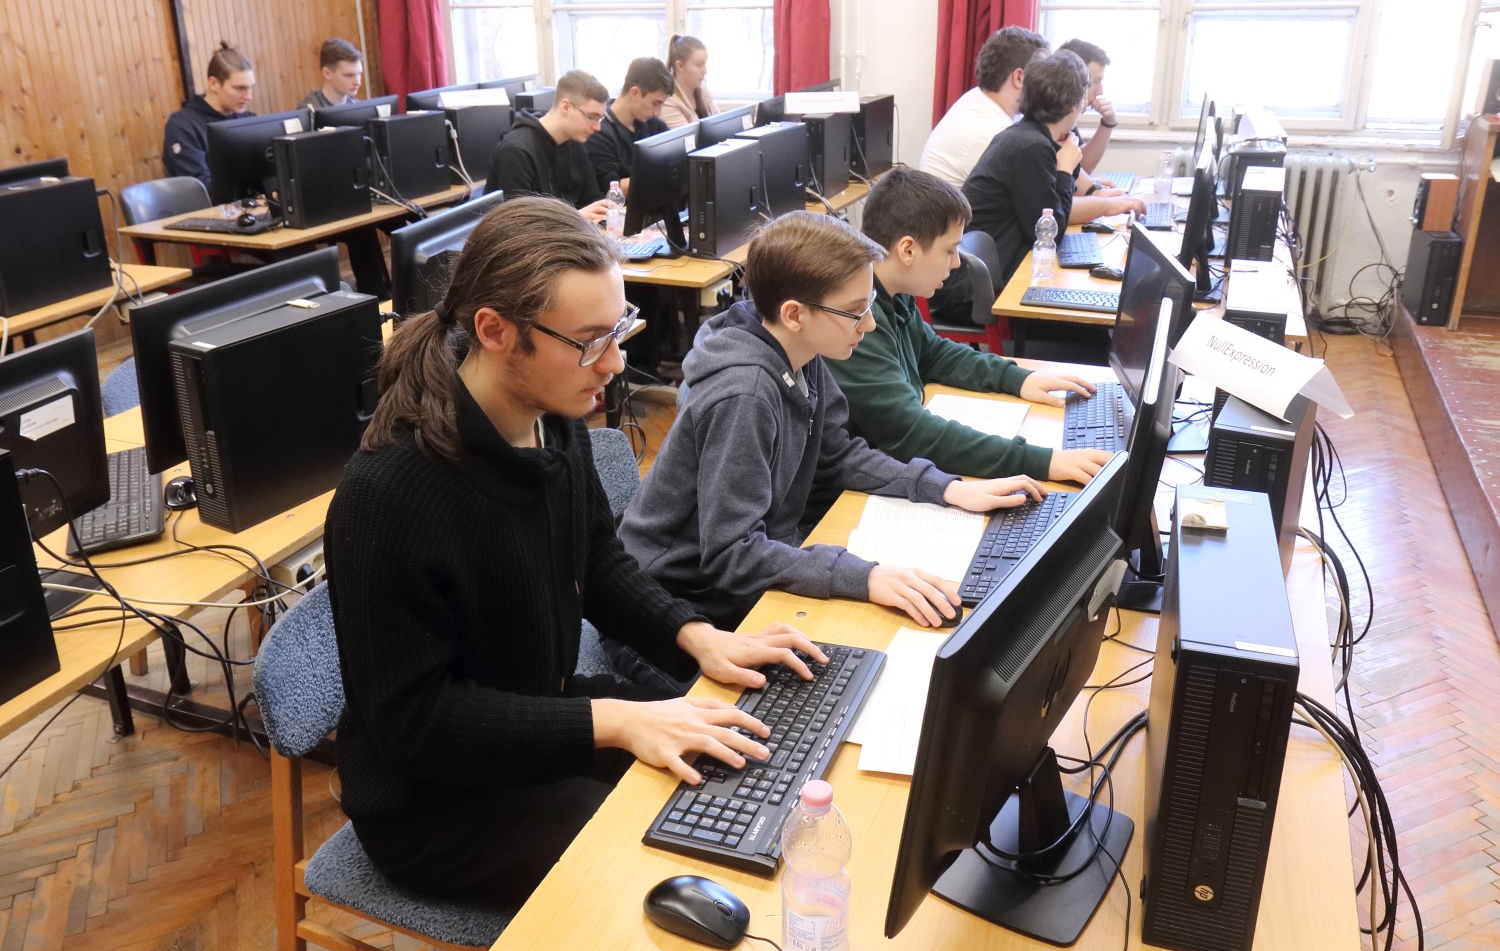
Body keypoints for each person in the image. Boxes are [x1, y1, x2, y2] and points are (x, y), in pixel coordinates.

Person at [324, 195, 825, 905]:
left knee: (741, 758)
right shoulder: (389, 493)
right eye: (590, 341)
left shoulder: (549, 416)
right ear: (495, 331)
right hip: (438, 805)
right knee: (659, 864)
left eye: (617, 330)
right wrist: (618, 721)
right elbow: (417, 725)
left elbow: (597, 560)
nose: (615, 364)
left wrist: (698, 638)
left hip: (539, 718)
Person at [618, 211, 1047, 633]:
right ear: (794, 314)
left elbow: (837, 455)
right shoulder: (745, 395)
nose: (870, 324)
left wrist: (948, 489)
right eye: (855, 311)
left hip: (740, 577)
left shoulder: (800, 352)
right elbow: (732, 554)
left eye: (870, 304)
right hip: (674, 612)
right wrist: (865, 577)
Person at [825, 167, 1110, 484]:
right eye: (949, 250)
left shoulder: (894, 291)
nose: (957, 262)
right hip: (854, 486)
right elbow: (911, 433)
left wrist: (1018, 378)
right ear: (907, 250)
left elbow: (933, 354)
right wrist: (1041, 461)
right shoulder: (859, 319)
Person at [962, 51, 1140, 282]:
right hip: (978, 282)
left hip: (991, 265)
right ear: (1073, 104)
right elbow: (1051, 231)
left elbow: (1052, 207)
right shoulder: (1031, 147)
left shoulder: (1031, 135)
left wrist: (1068, 166)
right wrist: (1064, 171)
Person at [918, 27, 1048, 190]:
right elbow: (1042, 200)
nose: (1046, 85)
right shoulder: (993, 133)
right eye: (1042, 76)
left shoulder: (980, 98)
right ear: (1019, 78)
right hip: (950, 207)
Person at [485, 70, 611, 223]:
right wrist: (576, 219)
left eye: (600, 118)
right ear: (566, 107)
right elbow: (519, 226)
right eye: (592, 117)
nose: (597, 127)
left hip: (570, 233)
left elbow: (592, 198)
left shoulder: (575, 142)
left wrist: (609, 214)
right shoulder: (516, 152)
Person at [162, 42, 257, 197]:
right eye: (240, 88)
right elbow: (197, 187)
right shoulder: (183, 126)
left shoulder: (250, 120)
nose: (248, 96)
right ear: (214, 84)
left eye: (250, 87)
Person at [586, 57, 672, 193]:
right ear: (634, 93)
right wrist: (659, 175)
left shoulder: (653, 125)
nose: (657, 112)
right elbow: (610, 188)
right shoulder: (599, 133)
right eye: (655, 103)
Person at [1057, 39, 1115, 176]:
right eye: (1095, 82)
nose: (1100, 91)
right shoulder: (1050, 119)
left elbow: (1081, 167)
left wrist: (1108, 122)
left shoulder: (1068, 117)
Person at [661, 35, 719, 129]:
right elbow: (687, 137)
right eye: (699, 65)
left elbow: (719, 123)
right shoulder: (668, 101)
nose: (705, 71)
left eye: (705, 64)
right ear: (680, 66)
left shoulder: (702, 88)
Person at [298, 37, 364, 111]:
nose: (358, 82)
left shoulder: (359, 107)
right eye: (349, 75)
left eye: (359, 74)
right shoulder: (308, 112)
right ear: (327, 74)